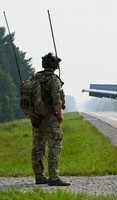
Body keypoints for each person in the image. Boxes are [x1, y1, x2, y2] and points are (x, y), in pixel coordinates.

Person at [31, 52, 70, 186]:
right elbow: (56, 100)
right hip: (49, 117)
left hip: (36, 118)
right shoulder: (53, 79)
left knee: (37, 146)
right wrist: (59, 115)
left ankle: (39, 176)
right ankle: (53, 177)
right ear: (55, 66)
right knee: (55, 144)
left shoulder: (34, 77)